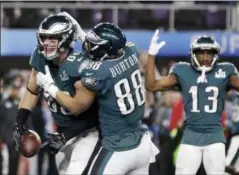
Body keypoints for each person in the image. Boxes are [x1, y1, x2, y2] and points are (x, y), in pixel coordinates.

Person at [36, 20, 159, 174]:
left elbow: (75, 107)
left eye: (92, 43)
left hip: (117, 146)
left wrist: (50, 87)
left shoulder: (99, 73)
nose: (87, 44)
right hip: (141, 140)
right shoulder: (130, 50)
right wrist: (84, 36)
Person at [144, 30, 239, 174]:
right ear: (193, 54)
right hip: (190, 136)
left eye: (209, 53)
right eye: (201, 53)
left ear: (215, 55)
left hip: (215, 137)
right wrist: (151, 56)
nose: (205, 57)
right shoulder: (182, 70)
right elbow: (151, 85)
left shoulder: (225, 70)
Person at [12, 14, 99, 174]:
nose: (46, 43)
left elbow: (90, 113)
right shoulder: (40, 57)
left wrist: (65, 135)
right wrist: (19, 123)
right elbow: (32, 91)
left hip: (88, 135)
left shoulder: (79, 65)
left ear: (65, 39)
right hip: (63, 134)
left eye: (52, 39)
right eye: (44, 38)